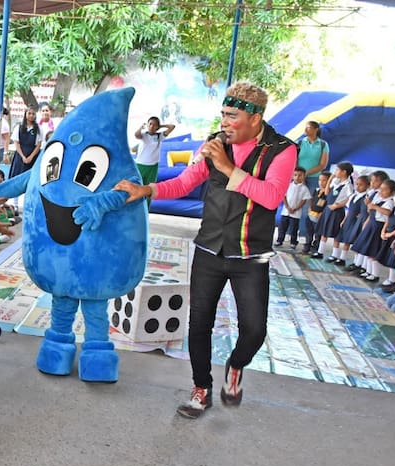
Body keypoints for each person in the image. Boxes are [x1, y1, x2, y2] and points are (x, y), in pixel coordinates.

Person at [115, 81, 297, 419]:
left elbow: (271, 197)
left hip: (250, 256)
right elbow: (185, 182)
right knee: (199, 324)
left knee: (254, 330)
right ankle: (201, 388)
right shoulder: (215, 143)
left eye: (232, 116)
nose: (225, 122)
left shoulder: (282, 150)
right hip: (209, 250)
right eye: (223, 115)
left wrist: (228, 168)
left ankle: (236, 364)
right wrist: (146, 189)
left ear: (255, 119)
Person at [313, 161, 353, 261]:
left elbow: (349, 198)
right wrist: (331, 178)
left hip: (337, 211)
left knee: (336, 234)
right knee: (324, 231)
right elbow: (327, 192)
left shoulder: (348, 185)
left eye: (337, 170)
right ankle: (320, 251)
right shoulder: (336, 182)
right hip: (328, 209)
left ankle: (335, 255)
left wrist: (338, 205)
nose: (335, 172)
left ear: (344, 172)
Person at [297, 121, 330, 236]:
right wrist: (299, 175)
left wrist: (306, 174)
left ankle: (305, 234)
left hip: (314, 179)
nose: (306, 129)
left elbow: (322, 165)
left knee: (309, 206)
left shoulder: (323, 145)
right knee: (295, 203)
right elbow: (294, 160)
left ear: (316, 129)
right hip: (298, 178)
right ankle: (291, 233)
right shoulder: (300, 143)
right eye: (305, 127)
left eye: (309, 127)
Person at [133, 116, 176, 191]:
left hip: (153, 166)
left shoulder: (160, 136)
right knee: (137, 186)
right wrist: (141, 127)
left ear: (157, 127)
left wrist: (161, 126)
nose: (152, 126)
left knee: (150, 188)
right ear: (147, 125)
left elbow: (172, 127)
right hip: (141, 165)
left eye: (154, 125)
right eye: (150, 124)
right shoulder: (144, 135)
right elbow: (136, 135)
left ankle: (147, 202)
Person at [274, 168, 311, 249]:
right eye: (295, 175)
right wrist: (287, 206)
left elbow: (303, 200)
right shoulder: (288, 185)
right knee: (282, 227)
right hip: (285, 211)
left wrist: (296, 208)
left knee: (294, 228)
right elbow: (284, 196)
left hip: (296, 213)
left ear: (304, 176)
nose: (297, 177)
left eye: (300, 175)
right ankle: (279, 240)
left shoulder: (304, 188)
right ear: (292, 176)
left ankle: (293, 242)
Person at [9, 107, 43, 179]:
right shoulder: (19, 127)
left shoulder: (38, 129)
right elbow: (16, 143)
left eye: (33, 114)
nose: (31, 115)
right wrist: (23, 156)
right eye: (29, 113)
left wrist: (31, 157)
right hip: (20, 155)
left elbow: (38, 145)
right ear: (25, 114)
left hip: (32, 155)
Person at [303, 172, 330, 254]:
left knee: (318, 233)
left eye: (324, 180)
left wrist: (323, 213)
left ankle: (315, 247)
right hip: (311, 214)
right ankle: (307, 245)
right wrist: (309, 207)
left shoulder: (328, 193)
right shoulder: (317, 190)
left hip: (319, 216)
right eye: (320, 180)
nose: (321, 182)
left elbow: (328, 204)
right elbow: (311, 199)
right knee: (309, 231)